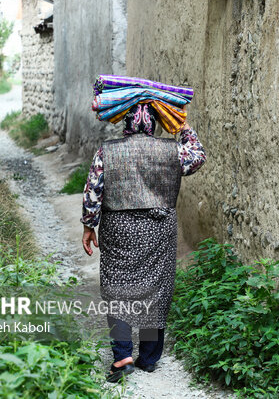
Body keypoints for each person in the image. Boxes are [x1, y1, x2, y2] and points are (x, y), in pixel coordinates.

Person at [80, 102, 206, 383]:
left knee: (116, 287)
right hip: (158, 228)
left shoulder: (108, 151)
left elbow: (93, 190)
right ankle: (148, 358)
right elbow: (197, 156)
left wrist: (89, 225)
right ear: (156, 123)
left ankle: (122, 355)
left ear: (126, 124)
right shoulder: (172, 151)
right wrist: (183, 128)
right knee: (154, 288)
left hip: (118, 228)